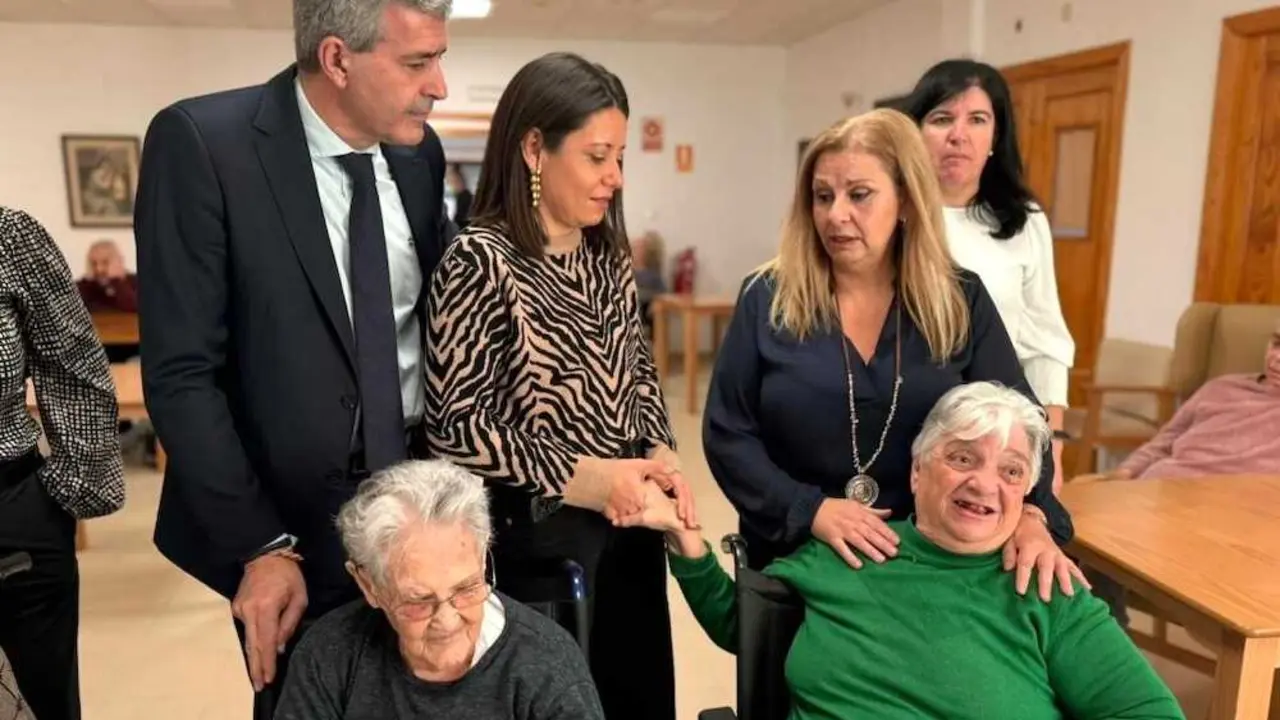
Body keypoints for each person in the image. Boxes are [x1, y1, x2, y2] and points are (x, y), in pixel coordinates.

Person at [133, 0, 452, 707]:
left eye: (439, 59)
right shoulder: (205, 145)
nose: (439, 86)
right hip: (293, 528)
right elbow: (182, 374)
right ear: (337, 59)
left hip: (418, 504)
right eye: (417, 63)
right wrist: (261, 546)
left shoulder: (418, 155)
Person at [626, 382, 1184, 720]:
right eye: (962, 458)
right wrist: (685, 539)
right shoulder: (853, 548)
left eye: (1012, 471)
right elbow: (741, 625)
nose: (985, 484)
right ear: (918, 471)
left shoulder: (1044, 587)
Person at [703, 109, 1083, 601]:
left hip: (927, 561)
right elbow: (728, 433)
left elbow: (1023, 423)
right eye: (823, 196)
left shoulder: (959, 299)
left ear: (905, 199)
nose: (836, 214)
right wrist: (808, 510)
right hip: (795, 556)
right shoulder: (767, 296)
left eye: (859, 194)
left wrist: (1032, 513)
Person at [424, 52, 693, 720]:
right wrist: (586, 478)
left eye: (620, 158)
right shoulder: (479, 261)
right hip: (540, 543)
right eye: (597, 157)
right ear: (534, 149)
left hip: (629, 526)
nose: (615, 178)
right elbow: (455, 426)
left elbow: (639, 372)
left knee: (638, 694)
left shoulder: (606, 254)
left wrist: (660, 448)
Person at [275, 460, 604, 719]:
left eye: (466, 588)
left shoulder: (547, 665)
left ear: (482, 560)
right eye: (419, 600)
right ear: (369, 585)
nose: (447, 620)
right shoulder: (329, 653)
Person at [903, 59, 1076, 492]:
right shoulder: (891, 214)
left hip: (993, 433)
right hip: (901, 420)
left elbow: (1045, 339)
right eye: (942, 119)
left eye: (977, 120)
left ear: (996, 137)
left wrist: (1052, 444)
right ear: (915, 132)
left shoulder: (1023, 221)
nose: (958, 135)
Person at [0, 207, 126, 720]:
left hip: (11, 512)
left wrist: (70, 484)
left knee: (39, 700)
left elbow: (73, 363)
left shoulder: (10, 237)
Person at [1110, 318, 1280, 480]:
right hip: (1158, 483)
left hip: (1223, 495)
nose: (1277, 357)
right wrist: (1126, 471)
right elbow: (1166, 440)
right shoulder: (1221, 387)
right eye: (1277, 344)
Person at [76, 240, 140, 364]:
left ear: (118, 262)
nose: (99, 269)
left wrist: (116, 281)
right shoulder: (84, 286)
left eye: (105, 263)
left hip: (131, 347)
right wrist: (90, 282)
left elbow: (134, 307)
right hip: (98, 348)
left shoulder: (134, 282)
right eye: (93, 264)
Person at [446, 162, 473, 227]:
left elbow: (460, 218)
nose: (450, 185)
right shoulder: (462, 196)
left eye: (451, 182)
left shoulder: (464, 198)